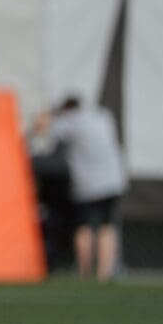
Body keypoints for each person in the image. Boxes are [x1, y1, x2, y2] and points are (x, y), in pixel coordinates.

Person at [32, 95, 127, 282]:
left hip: (88, 183)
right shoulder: (102, 117)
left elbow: (42, 129)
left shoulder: (69, 122)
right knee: (107, 226)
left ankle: (84, 273)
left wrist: (49, 114)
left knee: (84, 227)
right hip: (113, 179)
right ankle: (104, 274)